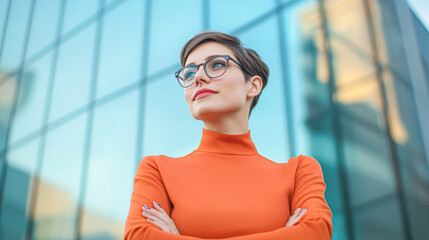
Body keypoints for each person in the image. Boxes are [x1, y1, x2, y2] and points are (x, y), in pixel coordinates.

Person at [124, 31, 333, 239]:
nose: (198, 77)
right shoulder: (158, 170)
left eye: (216, 64)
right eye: (188, 73)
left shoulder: (299, 173)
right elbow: (138, 236)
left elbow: (317, 233)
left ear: (253, 85)